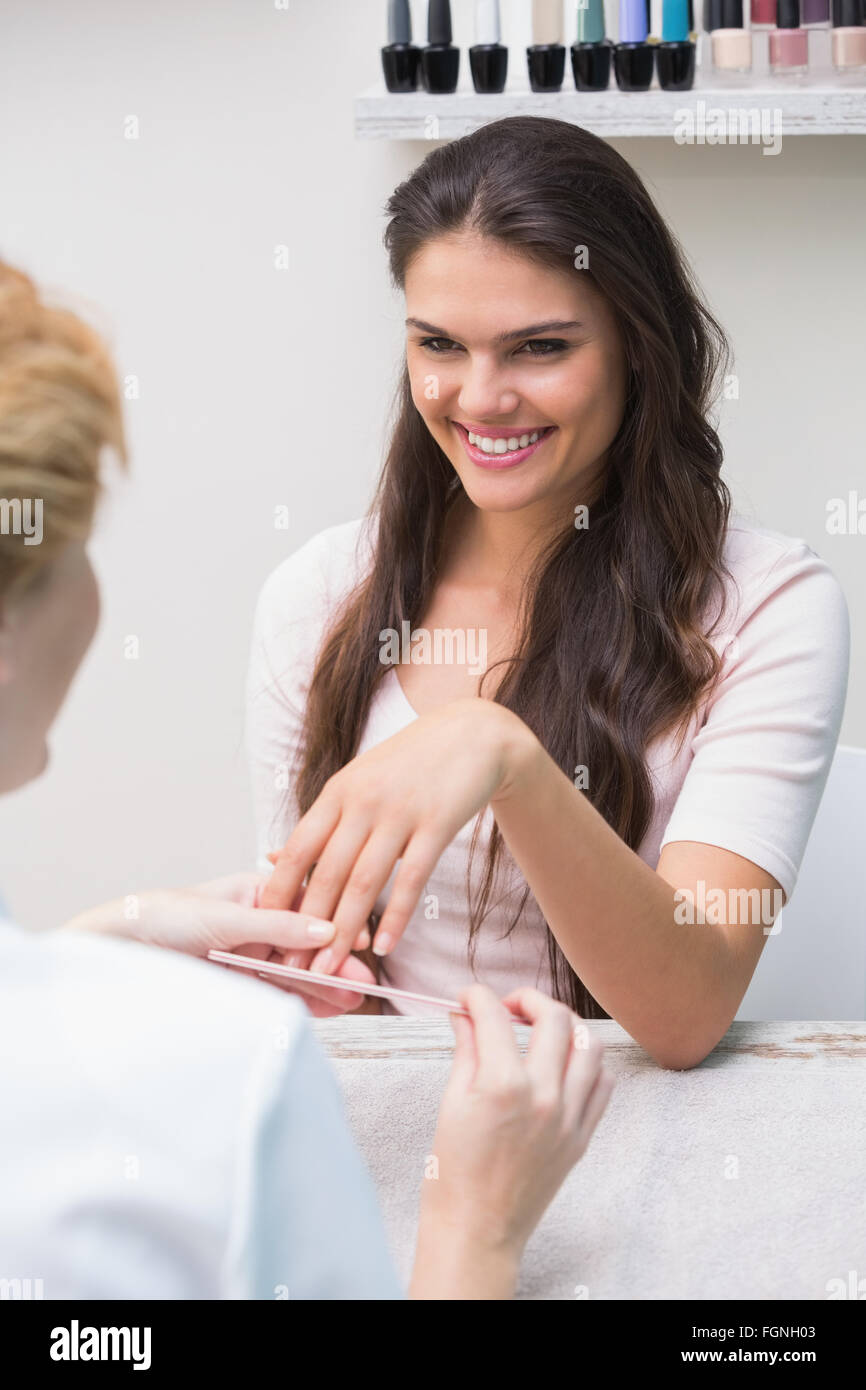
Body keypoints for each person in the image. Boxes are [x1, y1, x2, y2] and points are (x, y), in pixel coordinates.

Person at [0, 259, 613, 1301]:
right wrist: (475, 1228)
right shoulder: (227, 1075)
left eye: (539, 345)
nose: (482, 392)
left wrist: (101, 943)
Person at [251, 117, 849, 1070]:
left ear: (638, 348)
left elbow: (687, 1012)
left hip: (638, 1132)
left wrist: (505, 756)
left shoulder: (768, 608)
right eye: (440, 344)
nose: (480, 398)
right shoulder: (321, 595)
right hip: (406, 1136)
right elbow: (324, 989)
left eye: (538, 348)